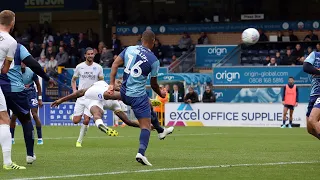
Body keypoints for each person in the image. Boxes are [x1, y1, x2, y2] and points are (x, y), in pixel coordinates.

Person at [107, 30, 173, 166]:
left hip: (125, 93)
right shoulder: (154, 61)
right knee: (146, 126)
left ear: (141, 39)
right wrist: (160, 93)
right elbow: (153, 84)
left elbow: (114, 64)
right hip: (137, 96)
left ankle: (161, 131)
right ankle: (141, 153)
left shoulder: (129, 49)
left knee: (148, 103)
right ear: (153, 41)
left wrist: (112, 84)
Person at [51, 80, 172, 136]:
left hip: (101, 99)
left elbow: (77, 93)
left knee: (97, 114)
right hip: (105, 97)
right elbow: (78, 93)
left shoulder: (94, 89)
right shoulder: (104, 86)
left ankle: (100, 124)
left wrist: (61, 100)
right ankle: (148, 105)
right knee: (126, 117)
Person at [0, 10, 26, 170]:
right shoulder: (11, 42)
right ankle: (8, 162)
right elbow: (5, 70)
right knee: (4, 119)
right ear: (12, 23)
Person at [71, 47, 104, 148]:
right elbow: (73, 80)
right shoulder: (79, 67)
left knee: (86, 120)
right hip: (81, 97)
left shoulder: (98, 68)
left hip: (92, 98)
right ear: (85, 55)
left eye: (92, 54)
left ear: (94, 55)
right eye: (88, 54)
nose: (90, 55)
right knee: (76, 121)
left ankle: (79, 141)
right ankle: (74, 117)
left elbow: (102, 82)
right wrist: (75, 91)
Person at [10, 62, 44, 145]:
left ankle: (40, 138)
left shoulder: (31, 72)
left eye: (24, 62)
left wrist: (39, 99)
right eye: (21, 62)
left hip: (31, 94)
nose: (22, 64)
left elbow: (38, 85)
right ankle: (11, 138)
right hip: (20, 94)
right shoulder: (14, 72)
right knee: (14, 115)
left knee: (34, 114)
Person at [303, 51, 320, 139]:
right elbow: (306, 67)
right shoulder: (315, 55)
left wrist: (315, 71)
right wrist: (318, 71)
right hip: (314, 94)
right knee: (310, 129)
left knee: (313, 119)